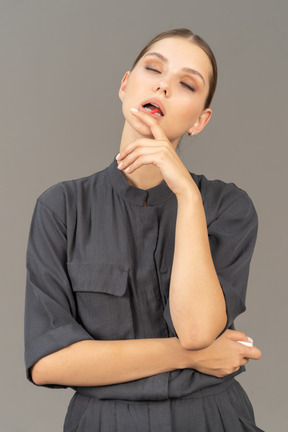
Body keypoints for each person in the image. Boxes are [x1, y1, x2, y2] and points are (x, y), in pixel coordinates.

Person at [25, 28, 264, 431]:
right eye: (153, 68)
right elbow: (48, 363)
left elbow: (196, 329)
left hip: (212, 419)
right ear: (125, 85)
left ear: (200, 121)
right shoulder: (62, 208)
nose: (163, 86)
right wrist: (187, 357)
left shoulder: (227, 207)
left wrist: (187, 195)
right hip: (103, 423)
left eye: (186, 84)